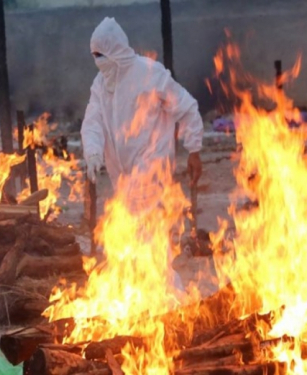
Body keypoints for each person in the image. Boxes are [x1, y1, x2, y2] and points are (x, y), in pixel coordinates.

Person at [81, 17, 204, 290]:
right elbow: (93, 120)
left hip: (153, 161)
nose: (98, 61)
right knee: (134, 228)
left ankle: (164, 291)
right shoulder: (101, 84)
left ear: (115, 51)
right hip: (122, 172)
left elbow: (186, 107)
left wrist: (194, 149)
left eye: (102, 55)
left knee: (144, 227)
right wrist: (92, 153)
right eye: (94, 56)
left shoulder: (150, 74)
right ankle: (149, 292)